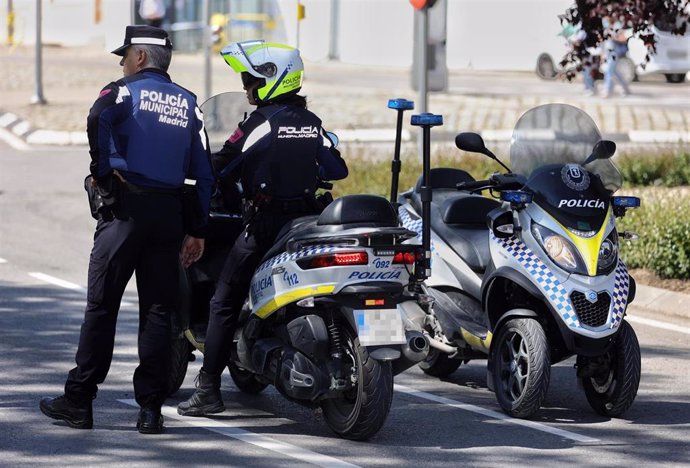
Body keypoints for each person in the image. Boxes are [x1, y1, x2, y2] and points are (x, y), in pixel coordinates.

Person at [39, 25, 214, 434]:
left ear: (139, 58)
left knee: (102, 307)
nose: (121, 63)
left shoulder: (122, 91)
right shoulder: (189, 104)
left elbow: (98, 116)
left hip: (126, 213)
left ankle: (79, 400)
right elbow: (204, 173)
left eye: (125, 55)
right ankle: (150, 411)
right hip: (168, 215)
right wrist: (197, 229)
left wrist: (103, 174)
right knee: (158, 313)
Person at [177, 40, 348, 416]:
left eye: (249, 77)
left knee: (223, 299)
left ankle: (208, 390)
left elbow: (219, 166)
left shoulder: (260, 124)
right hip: (306, 223)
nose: (245, 86)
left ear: (271, 79)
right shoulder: (312, 124)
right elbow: (337, 170)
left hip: (266, 225)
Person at [602, 15, 632, 98]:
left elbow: (623, 38)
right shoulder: (606, 27)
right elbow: (604, 42)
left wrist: (613, 36)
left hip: (614, 52)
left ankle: (607, 90)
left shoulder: (617, 25)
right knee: (614, 71)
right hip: (607, 52)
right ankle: (625, 87)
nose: (604, 20)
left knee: (609, 70)